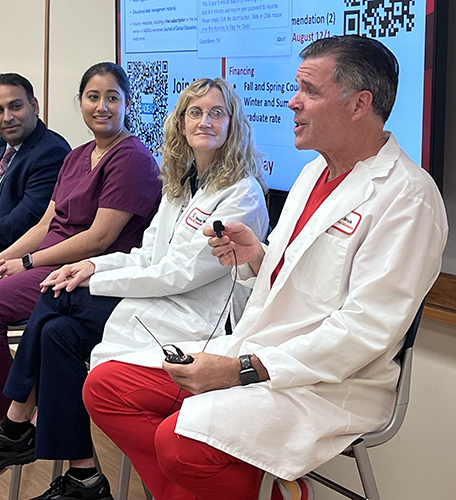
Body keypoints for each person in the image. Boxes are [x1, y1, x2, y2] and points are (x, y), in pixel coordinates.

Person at [81, 36, 448, 500]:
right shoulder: (314, 173)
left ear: (360, 104)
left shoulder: (408, 197)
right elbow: (302, 276)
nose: (292, 101)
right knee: (107, 387)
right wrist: (258, 256)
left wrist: (242, 370)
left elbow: (365, 331)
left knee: (180, 445)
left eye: (309, 91)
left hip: (330, 381)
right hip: (261, 351)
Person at [0, 77, 269, 500]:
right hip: (156, 302)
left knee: (55, 296)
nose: (205, 121)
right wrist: (87, 266)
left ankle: (15, 423)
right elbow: (146, 256)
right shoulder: (182, 186)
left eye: (217, 113)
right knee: (56, 333)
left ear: (234, 124)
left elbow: (178, 275)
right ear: (180, 122)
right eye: (195, 112)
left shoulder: (241, 194)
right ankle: (84, 475)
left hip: (197, 319)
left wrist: (92, 274)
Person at [0, 60, 161, 473]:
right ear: (80, 103)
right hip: (42, 260)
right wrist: (7, 258)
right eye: (92, 97)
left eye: (112, 97)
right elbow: (46, 222)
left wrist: (27, 262)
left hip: (78, 271)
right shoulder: (78, 155)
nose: (101, 106)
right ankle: (2, 419)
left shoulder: (132, 158)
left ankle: (5, 424)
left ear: (127, 104)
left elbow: (99, 238)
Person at [0, 73, 70, 281]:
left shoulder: (51, 152)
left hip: (3, 252)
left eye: (15, 106)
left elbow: (22, 223)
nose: (7, 117)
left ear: (34, 106)